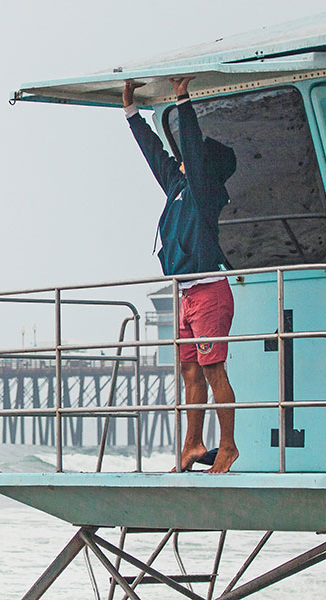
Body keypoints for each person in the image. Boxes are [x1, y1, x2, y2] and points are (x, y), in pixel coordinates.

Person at [123, 76, 239, 473]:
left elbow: (190, 142)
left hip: (209, 292)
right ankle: (192, 445)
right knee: (190, 370)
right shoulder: (178, 186)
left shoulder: (206, 193)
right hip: (187, 295)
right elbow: (155, 153)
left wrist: (183, 100)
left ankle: (228, 447)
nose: (184, 157)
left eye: (193, 156)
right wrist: (131, 112)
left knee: (212, 368)